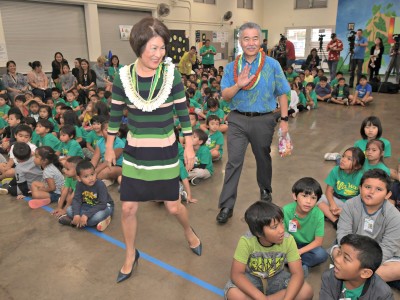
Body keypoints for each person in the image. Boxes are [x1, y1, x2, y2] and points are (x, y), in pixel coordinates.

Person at [105, 16, 202, 283]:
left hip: (165, 151)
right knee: (127, 209)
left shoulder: (171, 75)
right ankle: (129, 254)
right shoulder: (123, 77)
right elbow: (115, 115)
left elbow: (183, 113)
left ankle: (189, 232)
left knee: (173, 207)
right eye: (153, 49)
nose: (159, 54)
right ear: (138, 47)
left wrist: (189, 147)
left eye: (162, 48)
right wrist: (110, 147)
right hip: (136, 152)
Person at [216, 22, 290, 224]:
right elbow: (225, 96)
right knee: (233, 162)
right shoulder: (232, 67)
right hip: (237, 119)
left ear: (261, 41)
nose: (250, 43)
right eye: (246, 39)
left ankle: (265, 190)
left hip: (263, 120)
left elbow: (283, 92)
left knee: (263, 158)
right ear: (240, 41)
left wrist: (284, 120)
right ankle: (227, 205)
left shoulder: (272, 65)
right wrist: (238, 84)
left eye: (254, 38)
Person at [224, 201, 314, 300]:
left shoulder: (288, 240)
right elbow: (236, 274)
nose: (281, 230)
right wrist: (261, 297)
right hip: (252, 279)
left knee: (306, 291)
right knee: (234, 294)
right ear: (259, 233)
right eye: (274, 227)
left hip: (276, 277)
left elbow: (297, 273)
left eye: (282, 223)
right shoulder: (246, 241)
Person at [334, 169, 400, 287]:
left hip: (378, 255)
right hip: (352, 250)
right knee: (336, 251)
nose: (371, 192)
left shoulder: (395, 216)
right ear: (360, 188)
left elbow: (388, 247)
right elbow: (343, 234)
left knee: (396, 268)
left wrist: (364, 263)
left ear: (388, 194)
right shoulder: (350, 205)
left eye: (379, 189)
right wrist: (353, 258)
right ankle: (365, 279)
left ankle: (350, 276)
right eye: (367, 187)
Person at [320, 234, 394, 299]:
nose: (336, 259)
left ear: (365, 273)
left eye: (346, 258)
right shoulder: (328, 277)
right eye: (339, 253)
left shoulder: (383, 294)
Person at [283, 177, 328, 274]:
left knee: (322, 255)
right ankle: (299, 264)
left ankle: (294, 263)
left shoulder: (319, 214)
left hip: (308, 245)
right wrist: (292, 249)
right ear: (295, 196)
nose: (308, 201)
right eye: (304, 196)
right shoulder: (286, 210)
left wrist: (299, 252)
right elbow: (283, 235)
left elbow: (318, 242)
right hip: (290, 242)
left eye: (313, 198)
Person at [58, 160, 114, 232]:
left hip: (105, 207)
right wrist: (76, 215)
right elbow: (77, 200)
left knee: (97, 217)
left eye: (92, 174)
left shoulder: (100, 185)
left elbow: (102, 204)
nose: (91, 178)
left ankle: (72, 223)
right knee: (69, 210)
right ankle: (83, 221)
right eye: (86, 176)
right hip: (89, 206)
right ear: (79, 178)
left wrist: (86, 215)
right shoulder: (79, 184)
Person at [317, 147, 365, 228]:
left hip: (351, 204)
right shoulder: (335, 170)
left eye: (349, 159)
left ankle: (334, 214)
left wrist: (346, 210)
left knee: (361, 213)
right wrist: (332, 204)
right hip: (336, 200)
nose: (343, 160)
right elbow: (329, 191)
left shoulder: (361, 176)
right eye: (343, 156)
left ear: (357, 166)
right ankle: (336, 221)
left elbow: (363, 199)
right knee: (317, 198)